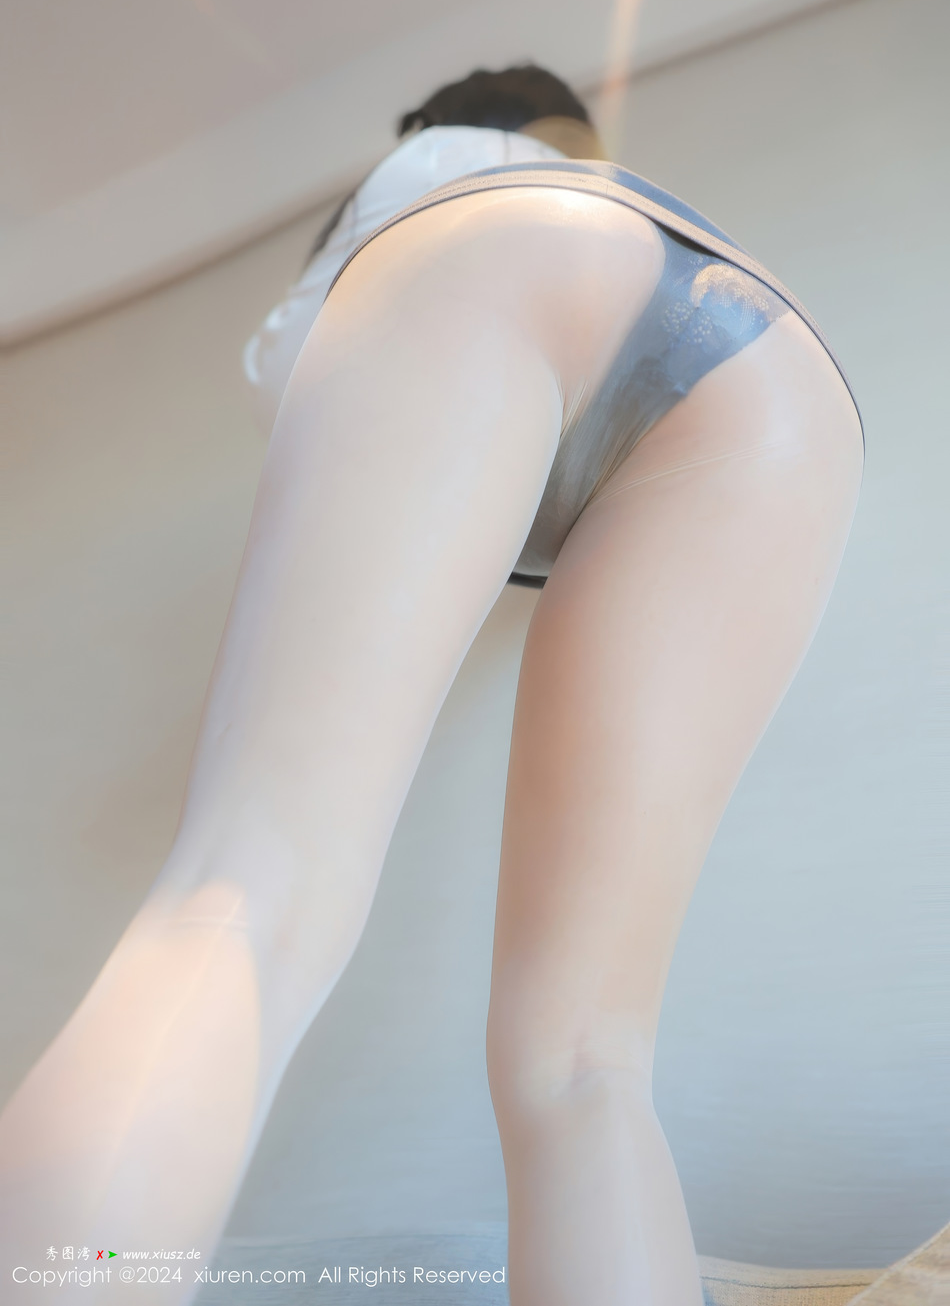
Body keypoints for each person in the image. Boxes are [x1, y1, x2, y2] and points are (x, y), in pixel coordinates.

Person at [0, 64, 864, 1305]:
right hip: (776, 364)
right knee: (586, 1060)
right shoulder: (597, 180)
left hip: (497, 268)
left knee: (243, 900)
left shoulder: (426, 170)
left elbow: (282, 371)